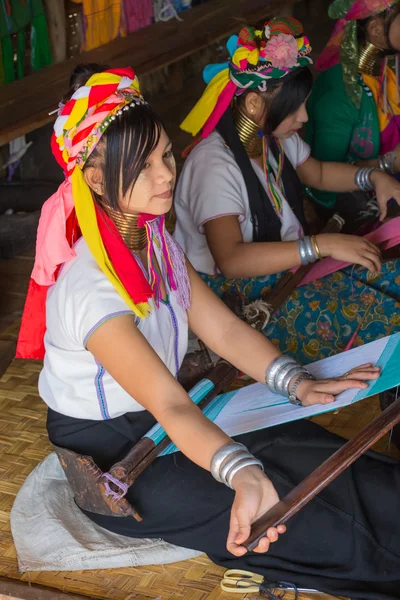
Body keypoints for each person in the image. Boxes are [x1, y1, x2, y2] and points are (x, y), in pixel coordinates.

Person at [15, 63, 400, 600]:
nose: (166, 174)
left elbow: (218, 326)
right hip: (118, 456)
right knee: (301, 510)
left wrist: (296, 383)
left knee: (314, 454)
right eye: (143, 166)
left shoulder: (155, 241)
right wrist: (242, 474)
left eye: (166, 156)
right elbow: (171, 407)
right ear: (97, 179)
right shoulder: (91, 288)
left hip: (165, 415)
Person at [173, 17, 400, 364]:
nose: (304, 117)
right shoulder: (214, 166)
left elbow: (319, 173)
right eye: (295, 108)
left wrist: (373, 177)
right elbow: (231, 260)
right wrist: (321, 245)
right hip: (242, 299)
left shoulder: (272, 138)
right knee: (385, 314)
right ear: (253, 104)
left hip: (289, 271)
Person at [307, 0, 400, 230]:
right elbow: (322, 175)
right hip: (348, 203)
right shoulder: (342, 93)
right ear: (376, 29)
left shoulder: (385, 69)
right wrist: (388, 163)